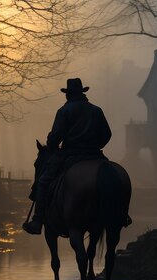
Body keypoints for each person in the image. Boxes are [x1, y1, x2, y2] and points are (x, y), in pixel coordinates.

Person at [23, 78, 112, 235]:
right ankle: (121, 215)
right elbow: (107, 134)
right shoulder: (96, 110)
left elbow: (55, 139)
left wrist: (52, 140)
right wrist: (95, 146)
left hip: (70, 155)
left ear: (68, 94)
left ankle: (37, 221)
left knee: (43, 182)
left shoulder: (64, 111)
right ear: (82, 93)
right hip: (95, 154)